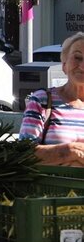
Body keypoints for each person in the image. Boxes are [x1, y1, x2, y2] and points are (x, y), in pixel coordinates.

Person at [19, 32, 84, 166]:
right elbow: (23, 153)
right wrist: (70, 151)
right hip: (53, 186)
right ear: (64, 66)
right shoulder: (42, 101)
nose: (82, 66)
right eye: (77, 57)